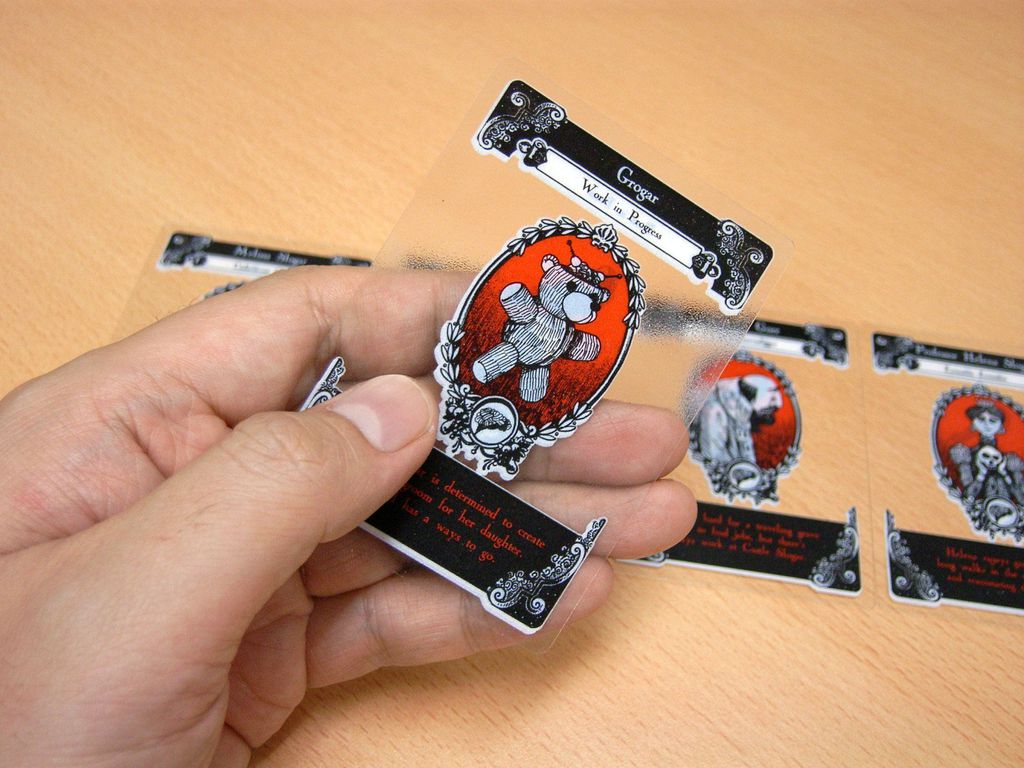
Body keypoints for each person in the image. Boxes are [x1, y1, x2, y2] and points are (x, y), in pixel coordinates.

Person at [0, 266, 695, 767]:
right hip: (501, 363)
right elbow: (512, 299)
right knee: (502, 363)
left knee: (530, 384)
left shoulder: (570, 333)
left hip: (522, 386)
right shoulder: (530, 303)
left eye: (585, 301)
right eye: (573, 292)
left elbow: (581, 346)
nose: (577, 303)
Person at [695, 373, 783, 465]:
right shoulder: (714, 411)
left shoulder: (742, 411)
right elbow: (714, 459)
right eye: (771, 401)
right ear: (751, 399)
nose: (777, 405)